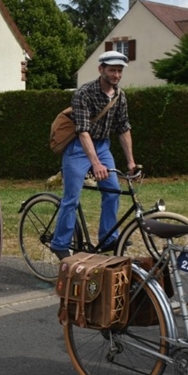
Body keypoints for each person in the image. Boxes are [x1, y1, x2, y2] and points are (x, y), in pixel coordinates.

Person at [49, 50, 138, 260]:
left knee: (113, 191)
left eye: (119, 71)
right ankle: (59, 243)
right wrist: (95, 164)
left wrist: (131, 162)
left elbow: (123, 128)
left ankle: (108, 238)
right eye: (112, 70)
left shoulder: (120, 96)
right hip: (78, 148)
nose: (116, 75)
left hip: (102, 146)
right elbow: (83, 131)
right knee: (71, 198)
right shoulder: (84, 93)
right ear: (101, 69)